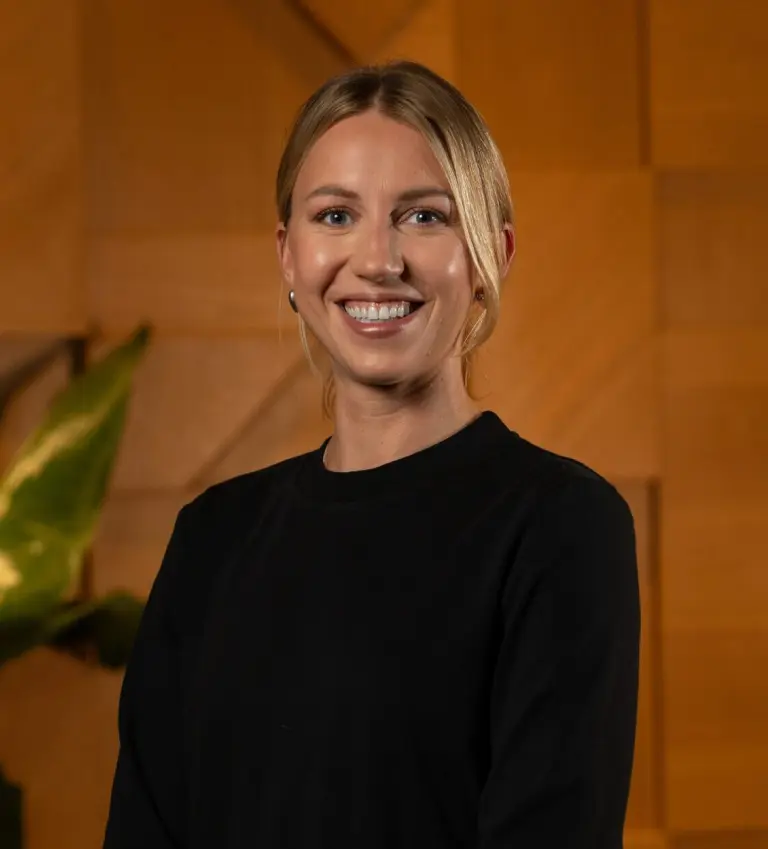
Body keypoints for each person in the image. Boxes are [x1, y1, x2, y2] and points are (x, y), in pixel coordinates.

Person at [102, 60, 640, 849]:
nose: (379, 259)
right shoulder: (211, 536)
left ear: (491, 255)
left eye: (423, 216)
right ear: (289, 254)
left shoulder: (561, 527)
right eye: (336, 215)